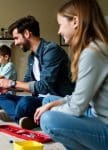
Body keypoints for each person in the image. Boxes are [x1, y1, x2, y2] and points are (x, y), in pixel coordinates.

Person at [34, 0, 108, 149]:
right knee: (48, 99)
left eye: (60, 24)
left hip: (104, 123)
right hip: (94, 112)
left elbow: (76, 108)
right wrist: (53, 103)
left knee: (48, 119)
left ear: (75, 21)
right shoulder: (95, 47)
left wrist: (51, 109)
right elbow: (80, 98)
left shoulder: (92, 53)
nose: (59, 31)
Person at [0, 16, 74, 129]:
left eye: (16, 38)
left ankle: (17, 115)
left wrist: (11, 83)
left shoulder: (51, 50)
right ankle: (22, 116)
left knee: (25, 103)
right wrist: (8, 88)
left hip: (54, 99)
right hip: (38, 98)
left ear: (27, 33)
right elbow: (27, 82)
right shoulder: (32, 57)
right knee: (2, 98)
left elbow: (44, 86)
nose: (15, 43)